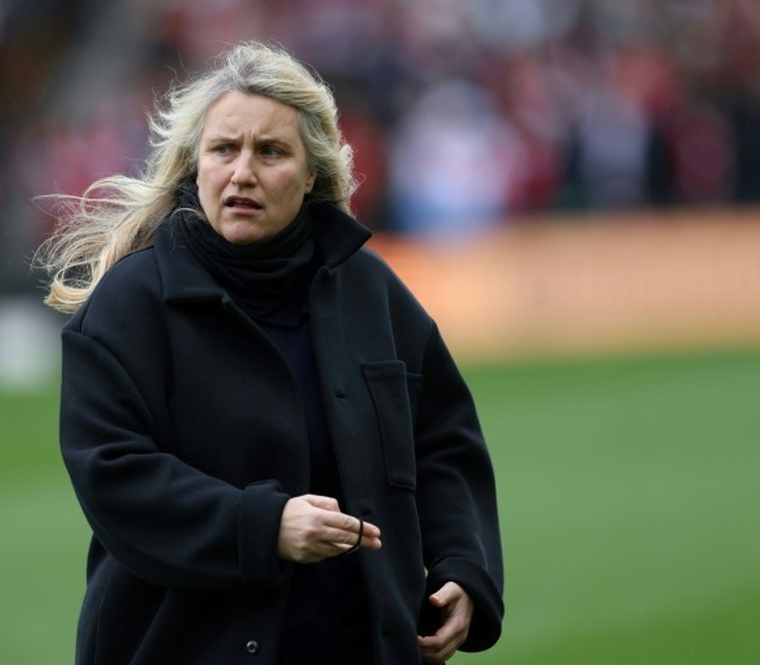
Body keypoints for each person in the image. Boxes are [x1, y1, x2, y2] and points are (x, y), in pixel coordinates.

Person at [39, 42, 504, 665]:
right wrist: (262, 527)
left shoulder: (370, 291)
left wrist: (463, 567)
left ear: (311, 174)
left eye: (272, 152)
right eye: (224, 149)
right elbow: (114, 473)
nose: (242, 173)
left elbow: (443, 440)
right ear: (193, 165)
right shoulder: (131, 304)